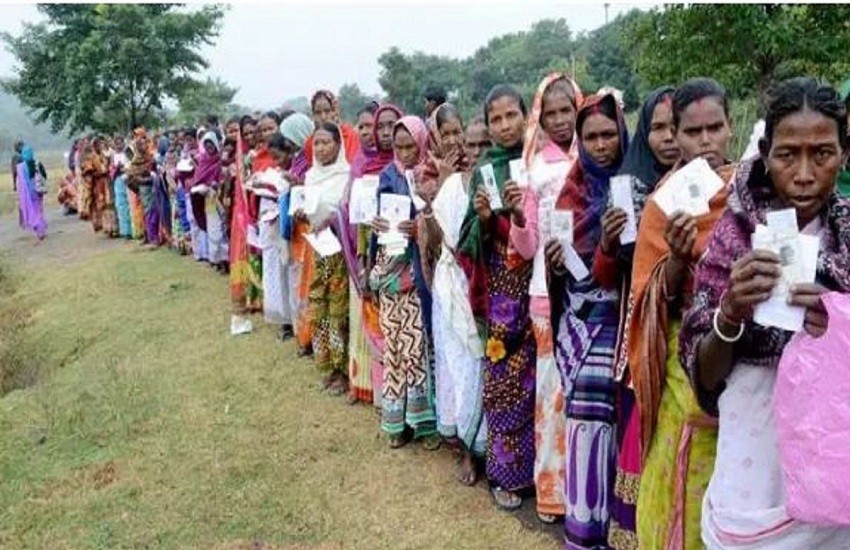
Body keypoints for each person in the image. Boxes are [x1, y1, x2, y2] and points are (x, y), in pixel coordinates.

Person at [681, 76, 850, 549]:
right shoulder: (732, 236)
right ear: (764, 152)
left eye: (822, 154)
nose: (804, 174)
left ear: (845, 154)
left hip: (833, 466)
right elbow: (704, 375)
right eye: (787, 155)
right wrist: (731, 312)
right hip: (752, 464)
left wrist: (839, 325)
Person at [529, 92, 629, 547]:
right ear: (580, 142)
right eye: (591, 137)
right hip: (583, 333)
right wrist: (555, 264)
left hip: (624, 326)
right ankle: (586, 532)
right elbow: (565, 276)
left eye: (609, 135)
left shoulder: (636, 186)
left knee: (624, 436)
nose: (601, 145)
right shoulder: (572, 193)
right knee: (587, 433)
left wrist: (609, 248)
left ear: (622, 135)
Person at [601, 85, 680, 549]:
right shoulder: (629, 186)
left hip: (690, 335)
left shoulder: (718, 187)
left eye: (676, 127)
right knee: (638, 432)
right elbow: (613, 272)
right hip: (641, 333)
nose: (668, 137)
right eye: (658, 128)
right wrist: (609, 244)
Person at [457, 84, 535, 510]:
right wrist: (487, 219)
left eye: (511, 115)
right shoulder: (485, 170)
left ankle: (541, 475)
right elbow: (468, 238)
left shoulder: (540, 161)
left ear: (526, 115)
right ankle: (504, 474)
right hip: (503, 298)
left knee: (540, 383)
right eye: (496, 119)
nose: (505, 126)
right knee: (504, 381)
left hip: (542, 287)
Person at [514, 73, 584, 524]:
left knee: (586, 398)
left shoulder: (596, 155)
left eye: (567, 111)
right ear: (539, 118)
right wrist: (518, 221)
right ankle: (553, 492)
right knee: (551, 396)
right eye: (551, 113)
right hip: (546, 293)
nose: (560, 121)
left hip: (591, 290)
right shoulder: (534, 168)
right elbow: (527, 247)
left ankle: (587, 492)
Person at [419, 103, 487, 486]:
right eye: (470, 144)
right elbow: (438, 243)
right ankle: (467, 449)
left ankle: (487, 447)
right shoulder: (449, 184)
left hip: (484, 285)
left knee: (480, 365)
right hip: (452, 286)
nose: (471, 149)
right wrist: (431, 208)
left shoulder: (495, 180)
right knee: (458, 365)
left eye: (480, 143)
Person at [368, 115, 439, 450]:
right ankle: (397, 423)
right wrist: (379, 225)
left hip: (420, 272)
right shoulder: (388, 175)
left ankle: (425, 423)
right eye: (399, 147)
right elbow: (378, 219)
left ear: (422, 142)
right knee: (395, 348)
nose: (406, 153)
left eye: (411, 146)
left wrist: (419, 227)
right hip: (391, 270)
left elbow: (440, 218)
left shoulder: (432, 173)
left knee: (418, 347)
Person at [339, 103, 403, 407]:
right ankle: (376, 392)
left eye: (392, 126)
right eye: (380, 127)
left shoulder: (412, 165)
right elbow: (360, 223)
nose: (385, 133)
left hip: (406, 262)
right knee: (376, 325)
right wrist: (364, 261)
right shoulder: (364, 168)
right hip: (374, 258)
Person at [300, 123, 351, 395]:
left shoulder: (347, 175)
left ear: (338, 144)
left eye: (326, 143)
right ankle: (327, 367)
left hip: (340, 252)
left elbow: (348, 211)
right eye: (316, 143)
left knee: (338, 310)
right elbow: (309, 209)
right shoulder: (310, 176)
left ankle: (342, 371)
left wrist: (332, 219)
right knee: (318, 308)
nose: (320, 149)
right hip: (317, 250)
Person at [279, 113, 316, 351]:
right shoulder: (298, 160)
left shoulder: (313, 160)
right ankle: (301, 332)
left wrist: (297, 185)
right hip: (296, 228)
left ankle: (310, 336)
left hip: (309, 227)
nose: (287, 144)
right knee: (298, 282)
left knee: (308, 282)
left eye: (290, 138)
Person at [189, 132, 221, 263]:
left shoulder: (219, 160)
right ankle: (212, 257)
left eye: (211, 145)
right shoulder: (203, 160)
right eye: (206, 146)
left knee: (218, 227)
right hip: (203, 198)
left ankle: (220, 258)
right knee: (209, 225)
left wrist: (212, 185)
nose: (209, 148)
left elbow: (218, 178)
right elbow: (198, 177)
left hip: (216, 197)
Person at [81, 136, 118, 237]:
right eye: (97, 145)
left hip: (107, 182)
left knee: (110, 204)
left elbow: (108, 166)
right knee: (102, 205)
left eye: (100, 145)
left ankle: (114, 227)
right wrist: (96, 174)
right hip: (98, 184)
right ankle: (107, 228)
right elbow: (87, 172)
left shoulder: (103, 155)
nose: (99, 147)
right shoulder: (91, 157)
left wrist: (108, 170)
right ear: (94, 146)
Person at [15, 145, 47, 240]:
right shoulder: (38, 163)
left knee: (33, 209)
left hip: (28, 193)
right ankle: (41, 228)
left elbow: (19, 183)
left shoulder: (21, 167)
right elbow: (45, 175)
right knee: (39, 209)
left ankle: (38, 228)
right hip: (38, 190)